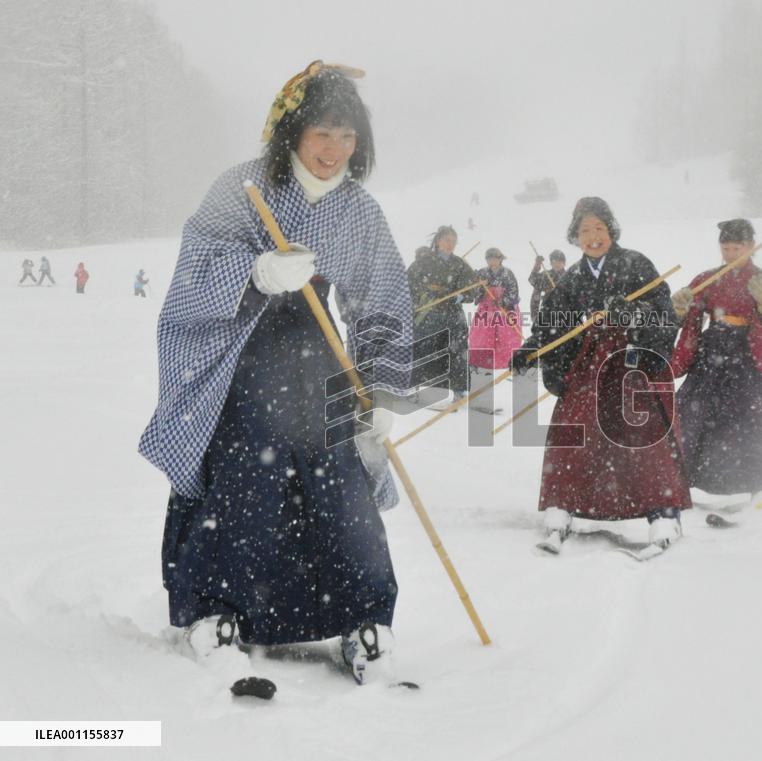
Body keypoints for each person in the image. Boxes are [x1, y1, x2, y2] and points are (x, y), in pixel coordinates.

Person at [138, 61, 413, 684]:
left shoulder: (359, 211)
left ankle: (364, 619)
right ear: (291, 131)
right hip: (245, 359)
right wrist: (253, 273)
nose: (334, 149)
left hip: (322, 361)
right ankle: (217, 613)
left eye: (348, 137)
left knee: (341, 481)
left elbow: (383, 300)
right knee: (245, 478)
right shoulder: (241, 188)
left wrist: (385, 390)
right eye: (323, 132)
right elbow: (189, 278)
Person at [511, 197, 691, 553]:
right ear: (574, 237)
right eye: (584, 231)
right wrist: (531, 348)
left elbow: (664, 315)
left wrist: (633, 313)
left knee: (642, 436)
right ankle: (560, 508)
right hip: (589, 366)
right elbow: (553, 324)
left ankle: (664, 515)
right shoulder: (573, 278)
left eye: (599, 229)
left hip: (632, 364)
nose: (592, 237)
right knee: (572, 433)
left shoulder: (636, 264)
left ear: (611, 230)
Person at [670, 218, 762, 506]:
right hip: (712, 351)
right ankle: (680, 480)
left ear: (751, 247)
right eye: (725, 248)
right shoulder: (707, 278)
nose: (730, 254)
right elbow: (688, 317)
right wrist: (679, 307)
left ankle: (760, 484)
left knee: (749, 417)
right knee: (691, 411)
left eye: (737, 248)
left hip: (747, 353)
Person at [406, 225, 477, 403]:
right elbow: (408, 284)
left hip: (452, 315)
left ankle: (459, 390)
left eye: (454, 242)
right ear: (438, 241)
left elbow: (472, 289)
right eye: (447, 240)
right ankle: (418, 389)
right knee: (424, 350)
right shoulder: (423, 262)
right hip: (428, 314)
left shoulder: (459, 264)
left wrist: (462, 296)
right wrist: (424, 295)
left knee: (456, 350)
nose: (451, 244)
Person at [468, 247, 522, 377]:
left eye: (494, 258)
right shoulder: (482, 273)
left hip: (505, 310)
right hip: (486, 309)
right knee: (482, 335)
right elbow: (476, 293)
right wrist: (478, 284)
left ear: (500, 259)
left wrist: (503, 301)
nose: (492, 260)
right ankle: (481, 362)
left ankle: (506, 361)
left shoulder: (508, 274)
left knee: (507, 336)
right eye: (489, 258)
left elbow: (514, 291)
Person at [527, 249, 567, 323]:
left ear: (564, 263)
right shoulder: (546, 275)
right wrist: (537, 265)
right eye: (554, 261)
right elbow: (532, 279)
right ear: (551, 263)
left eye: (560, 262)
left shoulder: (569, 277)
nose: (557, 264)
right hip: (547, 312)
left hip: (565, 314)